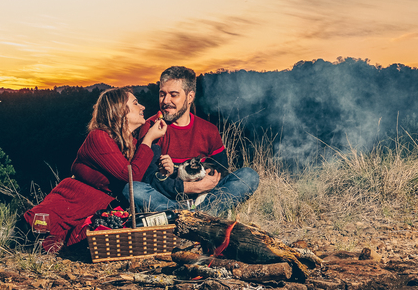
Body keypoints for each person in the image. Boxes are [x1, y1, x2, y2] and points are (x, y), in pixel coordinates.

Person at [23, 87, 167, 254]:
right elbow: (131, 176)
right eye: (135, 103)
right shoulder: (98, 137)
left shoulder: (130, 144)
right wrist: (148, 139)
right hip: (58, 215)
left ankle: (181, 210)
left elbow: (143, 174)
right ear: (119, 111)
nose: (142, 107)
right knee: (35, 246)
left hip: (85, 220)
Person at [129, 66, 258, 215]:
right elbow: (149, 178)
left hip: (205, 197)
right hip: (168, 198)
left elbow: (222, 172)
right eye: (162, 94)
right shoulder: (151, 127)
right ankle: (197, 215)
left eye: (173, 95)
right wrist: (192, 187)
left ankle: (192, 215)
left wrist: (204, 185)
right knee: (132, 190)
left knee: (249, 176)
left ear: (190, 97)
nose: (166, 101)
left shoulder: (209, 130)